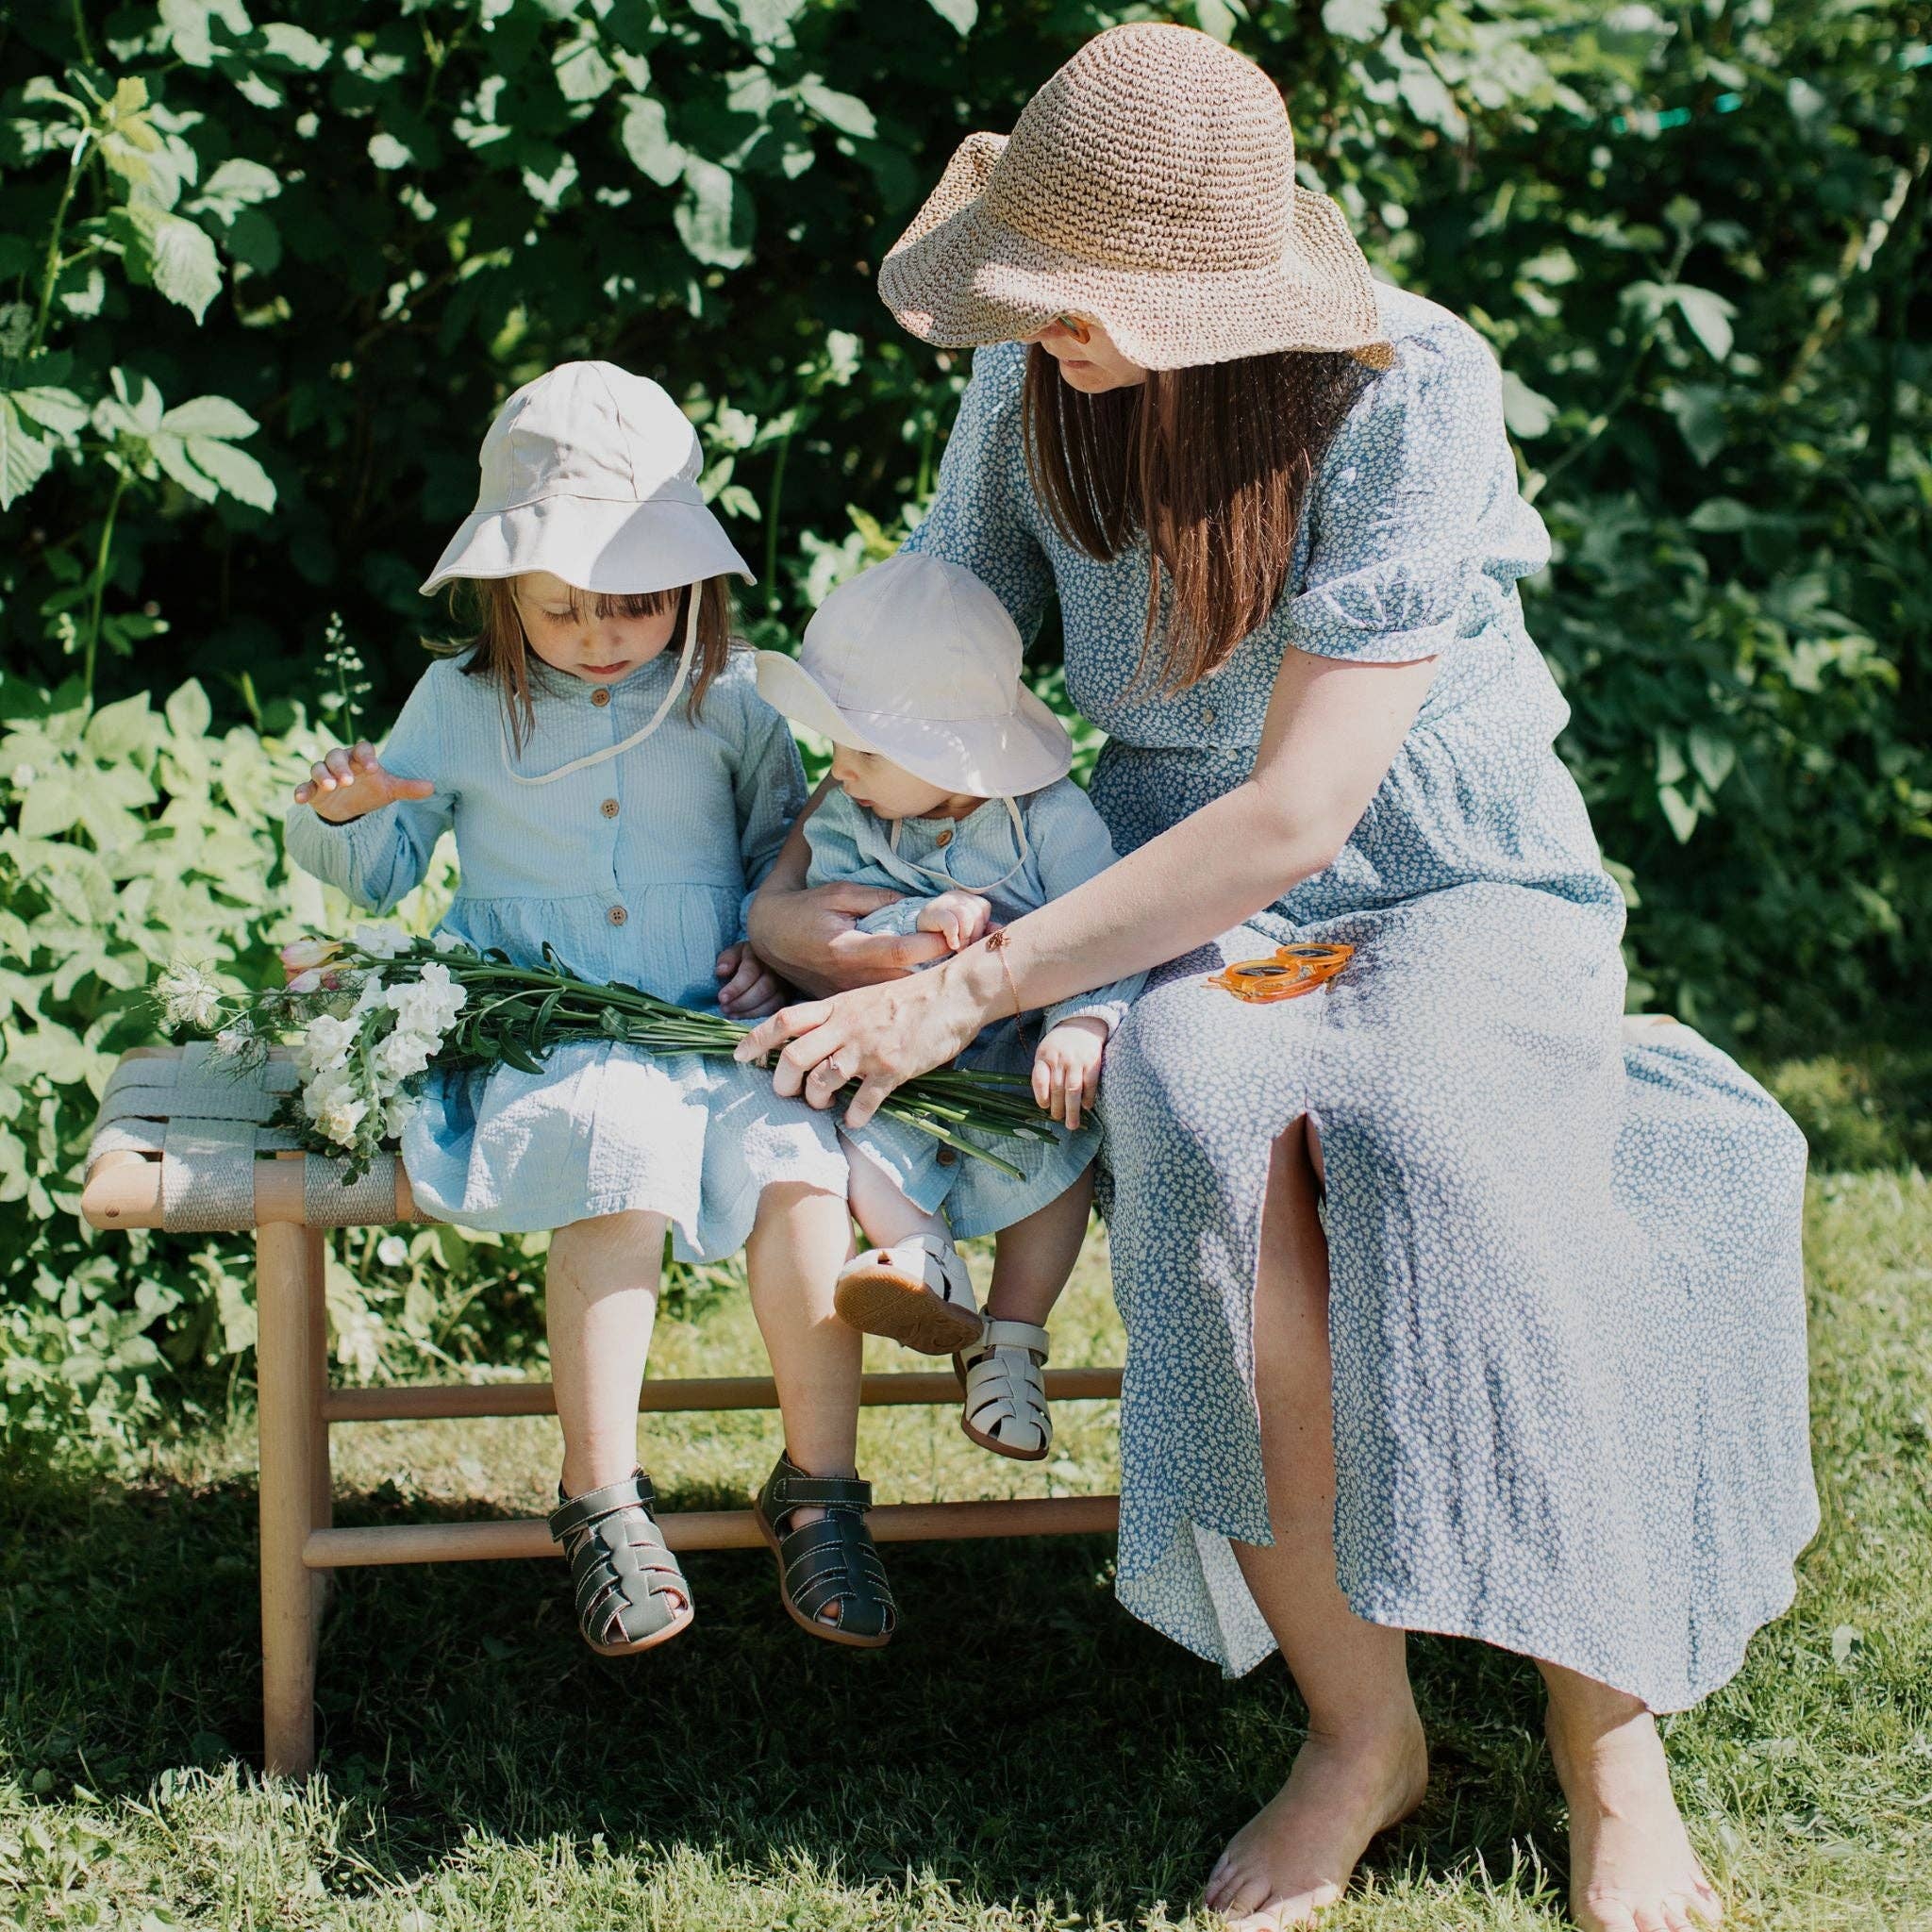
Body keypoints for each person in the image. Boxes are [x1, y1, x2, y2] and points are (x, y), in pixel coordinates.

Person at [738, 23, 1815, 1930]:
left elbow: (1304, 811)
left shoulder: (1408, 387)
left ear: (1216, 285)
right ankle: (1356, 1729)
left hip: (1439, 870)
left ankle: (1605, 1747)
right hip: (1169, 889)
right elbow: (939, 651)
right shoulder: (1027, 382)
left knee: (1453, 1142)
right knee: (1202, 1119)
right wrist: (819, 879)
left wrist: (963, 999)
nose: (1044, 328)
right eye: (1029, 288)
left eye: (1083, 301)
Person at [285, 360, 898, 1656]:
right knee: (614, 1155)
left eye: (635, 603)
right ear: (506, 592)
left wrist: (774, 956)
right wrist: (343, 815)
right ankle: (601, 1493)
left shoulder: (728, 705)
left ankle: (821, 1486)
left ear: (693, 586)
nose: (603, 632)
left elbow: (781, 860)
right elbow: (386, 869)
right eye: (565, 608)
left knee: (801, 1171)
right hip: (545, 1034)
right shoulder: (459, 705)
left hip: (708, 1030)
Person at [753, 551, 1142, 1459]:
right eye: (836, 746)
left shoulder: (1050, 821)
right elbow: (833, 918)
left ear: (952, 755)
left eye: (866, 751)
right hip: (895, 1056)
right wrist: (907, 917)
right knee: (855, 1130)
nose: (838, 770)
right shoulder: (855, 817)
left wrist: (1084, 1021)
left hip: (1021, 1060)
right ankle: (924, 1260)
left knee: (1062, 1150)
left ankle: (1011, 1341)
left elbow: (1110, 925)